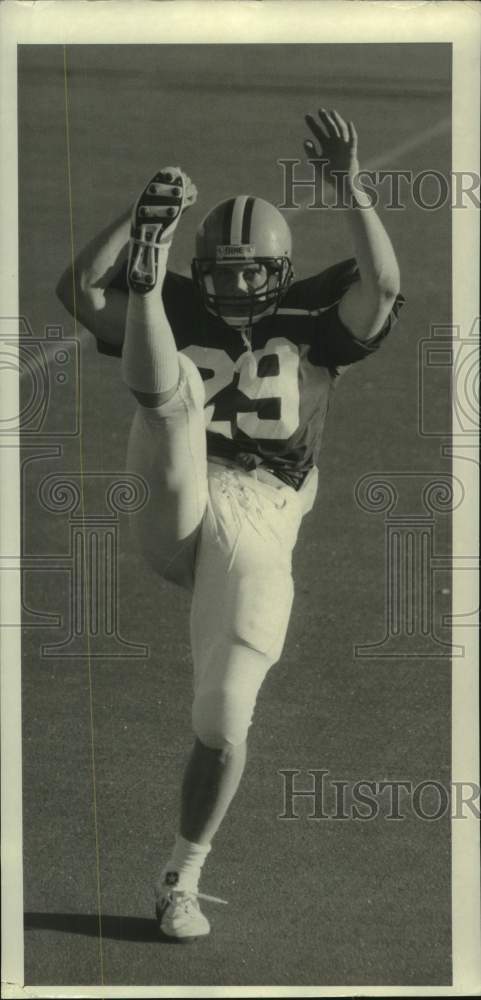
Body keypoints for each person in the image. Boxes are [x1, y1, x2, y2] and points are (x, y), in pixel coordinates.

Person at [56, 107, 404, 940]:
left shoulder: (316, 322)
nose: (234, 286)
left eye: (252, 273)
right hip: (176, 487)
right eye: (217, 270)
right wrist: (141, 217)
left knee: (221, 721)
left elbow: (383, 287)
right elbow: (77, 291)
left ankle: (182, 875)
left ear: (281, 271)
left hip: (261, 511)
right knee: (171, 401)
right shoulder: (187, 303)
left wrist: (348, 187)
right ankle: (150, 276)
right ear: (196, 265)